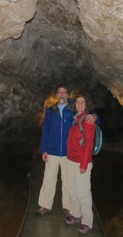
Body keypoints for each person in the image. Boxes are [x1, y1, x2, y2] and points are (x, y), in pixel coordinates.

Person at [36, 86, 96, 217]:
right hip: (52, 151)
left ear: (67, 95)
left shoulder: (73, 110)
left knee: (67, 181)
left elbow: (88, 119)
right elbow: (45, 130)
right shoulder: (50, 111)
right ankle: (45, 205)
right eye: (59, 92)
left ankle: (68, 207)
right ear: (56, 95)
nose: (62, 94)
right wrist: (43, 150)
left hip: (68, 153)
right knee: (49, 179)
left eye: (64, 92)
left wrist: (95, 116)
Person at [65, 95, 96, 234]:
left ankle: (87, 221)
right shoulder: (74, 119)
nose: (80, 104)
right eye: (78, 102)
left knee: (83, 192)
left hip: (81, 162)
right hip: (70, 160)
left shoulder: (88, 121)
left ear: (86, 105)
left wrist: (84, 164)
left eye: (83, 102)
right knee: (72, 189)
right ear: (75, 105)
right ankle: (76, 214)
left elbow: (89, 144)